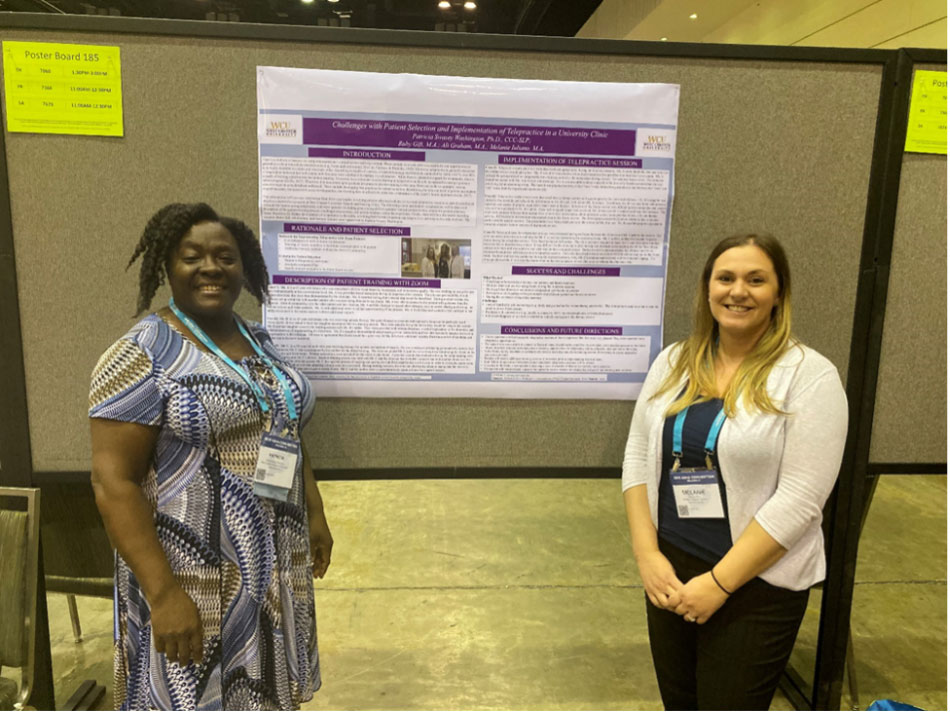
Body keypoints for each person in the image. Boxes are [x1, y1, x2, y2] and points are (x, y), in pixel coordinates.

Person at [89, 202, 333, 710]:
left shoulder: (256, 339)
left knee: (257, 693)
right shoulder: (141, 353)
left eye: (225, 256)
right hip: (191, 575)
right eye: (192, 255)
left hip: (269, 560)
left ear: (244, 267)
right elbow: (114, 483)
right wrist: (162, 595)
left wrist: (314, 510)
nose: (210, 267)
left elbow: (284, 424)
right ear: (167, 267)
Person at [621, 233, 848, 710]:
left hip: (756, 586)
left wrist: (720, 583)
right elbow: (638, 455)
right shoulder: (675, 361)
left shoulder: (809, 377)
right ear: (708, 289)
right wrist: (647, 555)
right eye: (725, 278)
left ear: (778, 294)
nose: (738, 291)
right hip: (671, 571)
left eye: (756, 280)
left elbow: (802, 499)